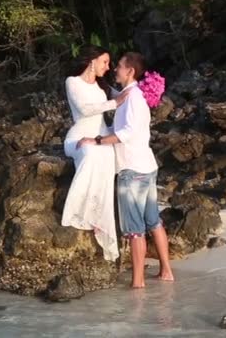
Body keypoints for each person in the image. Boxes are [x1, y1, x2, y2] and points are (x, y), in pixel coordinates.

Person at [77, 52, 174, 288]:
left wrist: (97, 140)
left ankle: (138, 283)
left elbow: (127, 133)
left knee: (135, 230)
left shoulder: (132, 98)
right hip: (147, 166)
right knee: (153, 221)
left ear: (130, 71)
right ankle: (166, 272)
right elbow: (112, 100)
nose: (115, 69)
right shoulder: (131, 94)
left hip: (132, 171)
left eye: (119, 66)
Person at [61, 45, 128, 261]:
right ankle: (81, 211)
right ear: (92, 61)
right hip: (79, 137)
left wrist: (143, 89)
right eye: (105, 62)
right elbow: (84, 109)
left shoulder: (103, 86)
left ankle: (99, 216)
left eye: (109, 64)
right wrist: (114, 103)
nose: (108, 67)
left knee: (108, 155)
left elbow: (127, 94)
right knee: (90, 154)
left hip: (101, 135)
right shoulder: (73, 82)